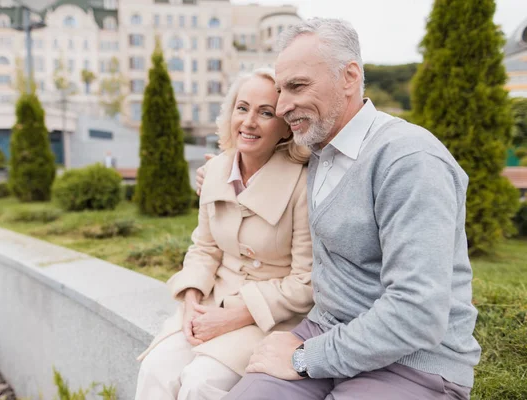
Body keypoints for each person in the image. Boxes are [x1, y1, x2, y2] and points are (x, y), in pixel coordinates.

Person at [199, 18, 481, 400]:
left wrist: (305, 358)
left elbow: (417, 313)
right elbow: (258, 162)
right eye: (281, 91)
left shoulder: (410, 161)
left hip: (412, 363)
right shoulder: (318, 150)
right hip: (324, 333)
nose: (282, 107)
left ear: (349, 76)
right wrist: (212, 175)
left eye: (297, 86)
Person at [134, 68, 314, 400]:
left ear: (286, 128)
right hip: (208, 304)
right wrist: (190, 302)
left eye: (266, 113)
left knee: (201, 383)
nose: (249, 121)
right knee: (155, 370)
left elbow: (305, 281)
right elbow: (203, 248)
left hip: (268, 318)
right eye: (242, 108)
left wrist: (235, 316)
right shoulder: (215, 170)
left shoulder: (303, 185)